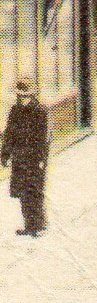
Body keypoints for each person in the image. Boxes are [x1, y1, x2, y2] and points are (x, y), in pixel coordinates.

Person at [1, 79, 49, 236]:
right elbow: (9, 134)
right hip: (19, 158)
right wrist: (5, 154)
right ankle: (29, 225)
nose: (22, 98)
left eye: (25, 95)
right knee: (22, 191)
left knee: (34, 190)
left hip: (34, 158)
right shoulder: (15, 110)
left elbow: (44, 138)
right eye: (20, 95)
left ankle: (39, 226)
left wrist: (42, 159)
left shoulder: (40, 111)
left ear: (32, 95)